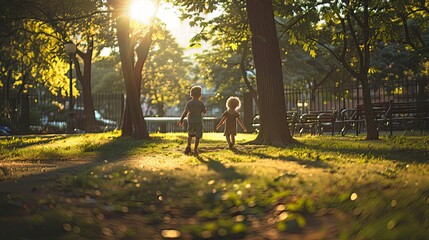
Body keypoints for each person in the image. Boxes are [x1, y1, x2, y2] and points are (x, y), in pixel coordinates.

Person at [177, 86, 207, 155]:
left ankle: (188, 146)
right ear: (200, 95)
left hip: (190, 121)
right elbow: (204, 111)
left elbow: (185, 111)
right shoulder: (201, 103)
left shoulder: (189, 103)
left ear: (191, 94)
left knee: (190, 134)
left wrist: (181, 119)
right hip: (198, 121)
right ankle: (195, 149)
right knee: (197, 136)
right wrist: (205, 109)